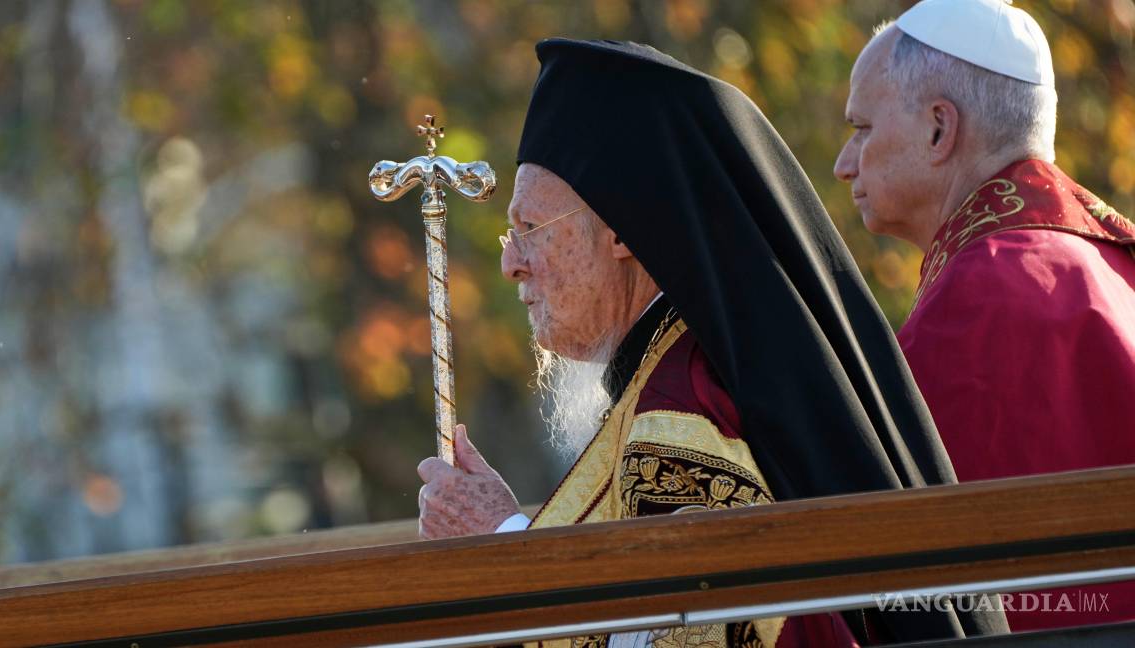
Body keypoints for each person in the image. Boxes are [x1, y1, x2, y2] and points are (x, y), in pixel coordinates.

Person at [418, 39, 1007, 646]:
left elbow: (691, 633)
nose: (511, 263)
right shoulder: (681, 367)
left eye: (530, 229)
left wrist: (500, 539)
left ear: (621, 229)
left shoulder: (682, 409)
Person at [834, 0, 1135, 632]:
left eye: (861, 128)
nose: (844, 162)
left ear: (940, 130)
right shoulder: (1116, 268)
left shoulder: (977, 301)